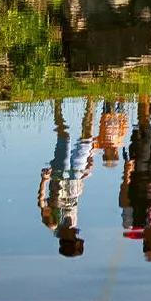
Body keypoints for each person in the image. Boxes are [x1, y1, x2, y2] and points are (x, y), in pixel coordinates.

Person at [40, 99, 95, 257]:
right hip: (76, 178)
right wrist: (84, 178)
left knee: (65, 137)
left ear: (67, 240)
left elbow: (41, 202)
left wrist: (44, 180)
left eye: (75, 238)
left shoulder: (53, 224)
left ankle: (57, 105)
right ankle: (90, 104)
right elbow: (74, 201)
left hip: (59, 178)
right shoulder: (74, 223)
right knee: (87, 142)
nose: (76, 234)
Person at [119, 95, 151, 262]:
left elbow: (124, 200)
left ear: (145, 242)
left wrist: (127, 173)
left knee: (146, 133)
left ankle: (144, 96)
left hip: (139, 172)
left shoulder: (132, 223)